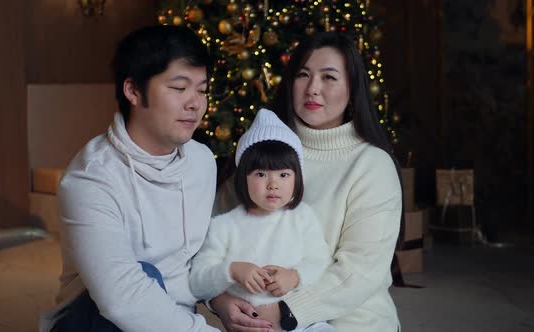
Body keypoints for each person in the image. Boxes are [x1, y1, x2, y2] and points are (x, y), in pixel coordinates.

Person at [211, 31, 404, 331]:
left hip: (350, 323)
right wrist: (220, 301)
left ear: (353, 88)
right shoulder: (263, 152)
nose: (313, 88)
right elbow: (212, 237)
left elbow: (360, 272)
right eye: (303, 75)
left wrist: (285, 312)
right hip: (258, 320)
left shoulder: (371, 165)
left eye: (329, 77)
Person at [40, 25, 219, 332]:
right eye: (179, 88)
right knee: (144, 273)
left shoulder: (202, 161)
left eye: (201, 90)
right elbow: (121, 296)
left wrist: (222, 300)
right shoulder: (90, 179)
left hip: (170, 319)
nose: (195, 103)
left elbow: (200, 257)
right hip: (93, 321)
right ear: (133, 91)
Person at [190, 109, 336, 332]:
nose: (273, 184)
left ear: (297, 179)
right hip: (250, 325)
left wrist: (295, 276)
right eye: (261, 174)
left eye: (283, 175)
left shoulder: (302, 218)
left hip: (303, 324)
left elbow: (320, 260)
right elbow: (197, 281)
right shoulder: (224, 226)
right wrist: (231, 270)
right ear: (243, 178)